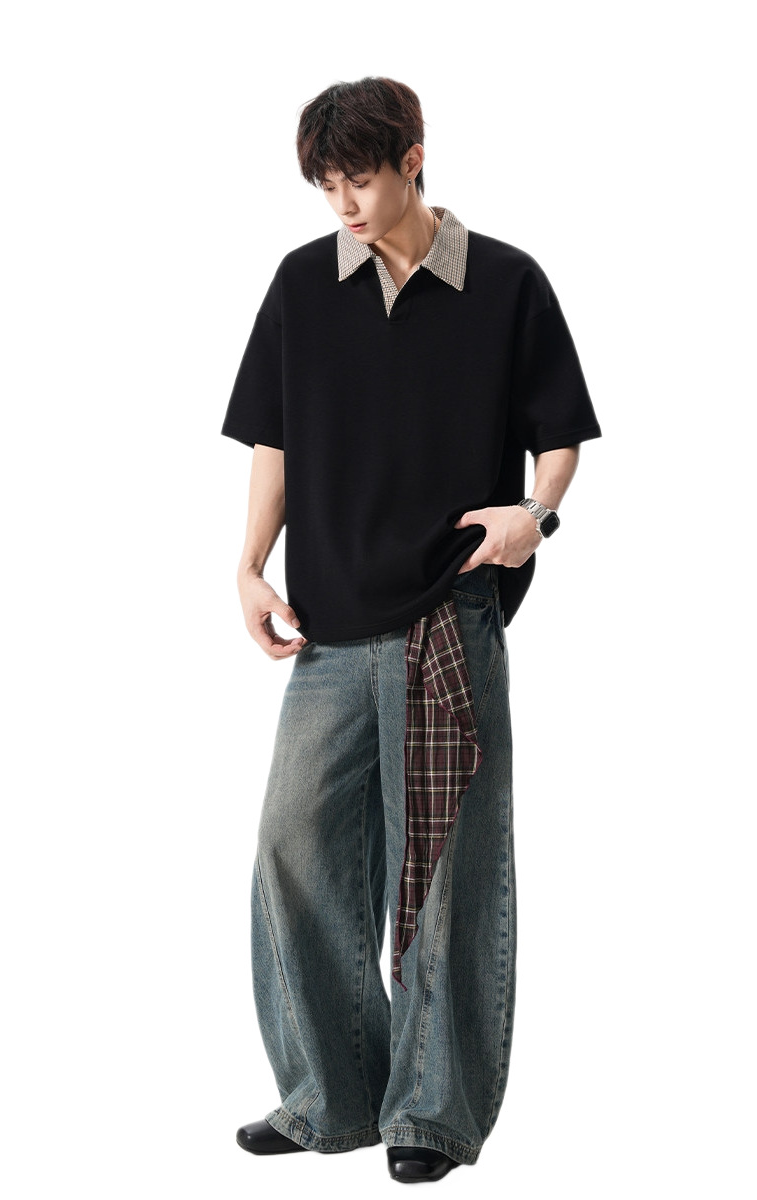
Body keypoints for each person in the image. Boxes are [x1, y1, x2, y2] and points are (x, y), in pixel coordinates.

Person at [220, 76, 601, 1184]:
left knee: (445, 872)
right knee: (293, 849)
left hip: (449, 613)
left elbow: (561, 436)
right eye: (326, 186)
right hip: (329, 628)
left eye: (360, 180)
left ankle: (431, 1114)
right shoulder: (303, 284)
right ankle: (329, 1095)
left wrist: (535, 515)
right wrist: (247, 564)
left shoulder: (505, 282)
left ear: (414, 159)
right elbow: (272, 439)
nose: (342, 204)